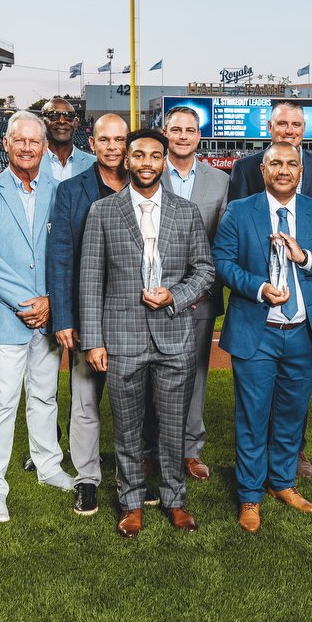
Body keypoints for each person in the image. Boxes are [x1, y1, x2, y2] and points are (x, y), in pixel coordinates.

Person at [79, 129, 215, 538]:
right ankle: (131, 502)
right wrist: (94, 339)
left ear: (163, 160)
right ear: (126, 159)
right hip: (122, 338)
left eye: (155, 156)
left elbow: (205, 271)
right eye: (138, 155)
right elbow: (90, 280)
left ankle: (175, 499)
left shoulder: (187, 211)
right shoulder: (103, 211)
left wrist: (174, 295)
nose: (146, 163)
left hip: (174, 336)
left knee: (172, 427)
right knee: (128, 428)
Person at [214, 142, 312, 532]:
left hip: (302, 333)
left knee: (291, 416)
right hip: (258, 331)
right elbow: (221, 262)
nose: (284, 170)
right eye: (276, 163)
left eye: (292, 164)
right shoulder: (241, 211)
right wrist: (258, 288)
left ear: (301, 171)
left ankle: (283, 483)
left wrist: (305, 257)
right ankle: (250, 495)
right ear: (263, 169)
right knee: (253, 417)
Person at [0, 111, 72, 523]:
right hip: (7, 315)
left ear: (45, 147)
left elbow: (64, 252)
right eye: (19, 140)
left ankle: (48, 465)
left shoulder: (62, 191)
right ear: (5, 144)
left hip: (48, 313)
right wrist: (29, 302)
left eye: (35, 141)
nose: (27, 147)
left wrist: (49, 300)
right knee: (1, 401)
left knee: (45, 396)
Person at [227, 99, 312, 478]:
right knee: (254, 408)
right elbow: (231, 242)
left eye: (296, 125)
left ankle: (290, 460)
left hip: (303, 300)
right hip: (259, 301)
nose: (289, 130)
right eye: (281, 124)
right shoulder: (244, 170)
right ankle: (252, 485)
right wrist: (257, 284)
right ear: (269, 128)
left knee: (293, 402)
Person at [48, 113, 129, 517]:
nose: (113, 147)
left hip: (135, 317)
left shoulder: (147, 182)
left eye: (120, 139)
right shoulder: (70, 190)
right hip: (88, 313)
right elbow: (60, 256)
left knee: (137, 401)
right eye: (105, 139)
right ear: (92, 143)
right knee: (84, 400)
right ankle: (87, 478)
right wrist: (64, 317)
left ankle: (134, 474)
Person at [162, 106, 230, 480]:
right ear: (166, 132)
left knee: (197, 373)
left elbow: (223, 240)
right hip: (159, 293)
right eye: (176, 129)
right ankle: (156, 447)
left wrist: (205, 285)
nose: (183, 136)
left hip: (202, 294)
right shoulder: (150, 171)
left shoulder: (219, 180)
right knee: (156, 371)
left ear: (198, 136)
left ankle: (190, 449)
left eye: (190, 130)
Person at [40, 97, 95, 182]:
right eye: (54, 115)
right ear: (43, 122)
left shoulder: (94, 164)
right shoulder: (31, 162)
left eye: (69, 116)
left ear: (76, 123)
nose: (62, 121)